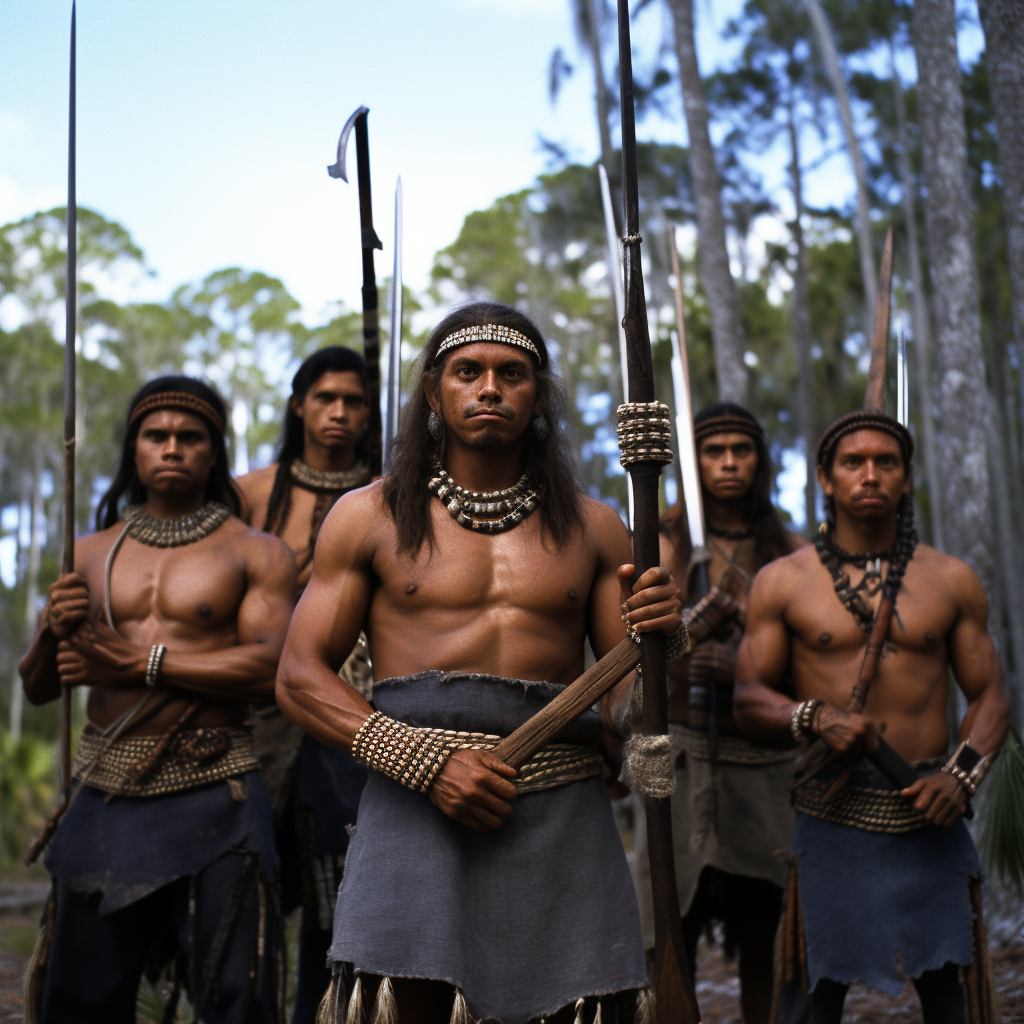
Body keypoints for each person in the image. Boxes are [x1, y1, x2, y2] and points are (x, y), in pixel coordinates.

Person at [275, 302, 689, 1024]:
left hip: (561, 811)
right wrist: (427, 765)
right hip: (411, 806)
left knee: (573, 1005)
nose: (490, 388)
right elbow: (299, 677)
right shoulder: (367, 516)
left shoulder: (595, 527)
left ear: (539, 395)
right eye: (469, 372)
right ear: (435, 393)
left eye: (512, 374)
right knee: (406, 1003)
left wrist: (661, 645)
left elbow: (631, 704)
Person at [20, 377, 297, 1024]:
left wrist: (140, 662)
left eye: (189, 437)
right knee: (80, 999)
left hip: (217, 784)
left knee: (240, 996)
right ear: (134, 450)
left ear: (213, 451)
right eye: (156, 435)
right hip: (105, 788)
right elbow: (38, 687)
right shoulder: (83, 555)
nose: (172, 448)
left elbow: (270, 668)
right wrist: (49, 635)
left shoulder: (255, 553)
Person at [734, 408, 1009, 1024]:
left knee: (953, 1000)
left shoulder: (951, 579)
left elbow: (989, 695)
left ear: (907, 480)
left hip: (930, 813)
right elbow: (749, 697)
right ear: (825, 479)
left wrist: (960, 777)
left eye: (886, 463)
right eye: (853, 463)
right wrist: (813, 716)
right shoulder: (783, 583)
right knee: (808, 1004)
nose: (870, 475)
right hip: (832, 814)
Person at [628, 403, 805, 1024]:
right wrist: (690, 647)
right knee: (669, 923)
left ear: (761, 461)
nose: (728, 462)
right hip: (679, 753)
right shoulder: (662, 539)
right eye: (713, 450)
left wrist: (750, 671)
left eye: (742, 449)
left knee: (772, 931)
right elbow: (632, 645)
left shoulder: (791, 550)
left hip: (767, 761)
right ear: (694, 463)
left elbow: (818, 654)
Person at [235, 347, 373, 1024]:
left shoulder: (390, 492)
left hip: (347, 708)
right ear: (299, 405)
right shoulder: (251, 493)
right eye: (326, 399)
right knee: (249, 879)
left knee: (338, 881)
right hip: (257, 714)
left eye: (354, 400)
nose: (340, 413)